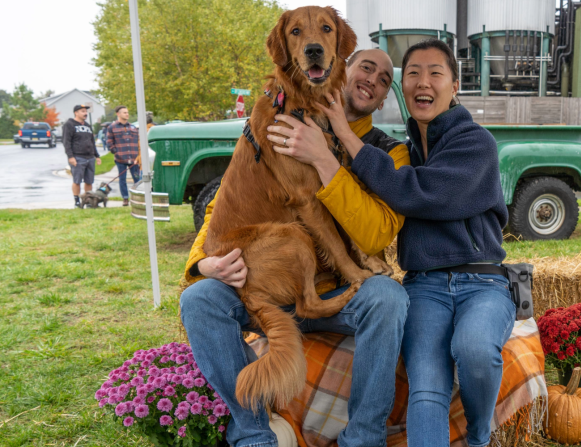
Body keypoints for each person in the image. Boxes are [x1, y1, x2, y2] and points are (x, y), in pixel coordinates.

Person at [281, 39, 512, 447]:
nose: (424, 81)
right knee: (426, 390)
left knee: (474, 348)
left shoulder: (476, 144)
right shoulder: (404, 151)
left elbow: (417, 192)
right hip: (425, 285)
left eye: (435, 73)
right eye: (414, 75)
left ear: (455, 86)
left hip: (483, 282)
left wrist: (345, 139)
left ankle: (479, 436)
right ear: (403, 92)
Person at [180, 48, 411, 447]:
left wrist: (325, 158)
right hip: (270, 281)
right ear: (342, 68)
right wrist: (203, 263)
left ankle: (363, 438)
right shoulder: (278, 120)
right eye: (366, 67)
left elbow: (378, 234)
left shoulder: (391, 151)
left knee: (389, 297)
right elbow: (230, 201)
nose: (373, 79)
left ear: (384, 96)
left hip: (339, 291)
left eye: (385, 79)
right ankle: (253, 434)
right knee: (199, 299)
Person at [63, 105, 101, 209]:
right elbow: (66, 142)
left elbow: (92, 142)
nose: (85, 113)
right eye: (83, 111)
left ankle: (88, 201)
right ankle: (76, 202)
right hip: (77, 157)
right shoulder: (69, 124)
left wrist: (96, 156)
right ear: (76, 112)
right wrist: (70, 157)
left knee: (89, 181)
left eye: (86, 111)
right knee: (77, 181)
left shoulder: (88, 125)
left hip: (90, 157)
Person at [106, 105, 141, 206]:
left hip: (134, 158)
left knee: (137, 179)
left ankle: (137, 197)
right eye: (124, 112)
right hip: (120, 158)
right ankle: (125, 198)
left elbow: (138, 141)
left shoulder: (133, 127)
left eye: (127, 112)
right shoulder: (112, 127)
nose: (127, 114)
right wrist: (115, 151)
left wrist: (139, 156)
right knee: (122, 179)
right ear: (118, 114)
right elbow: (109, 141)